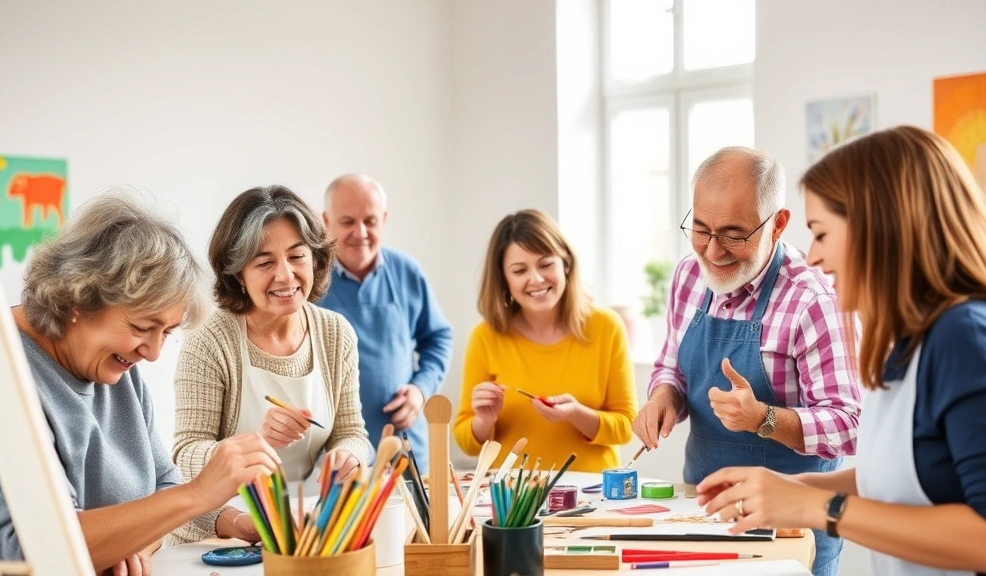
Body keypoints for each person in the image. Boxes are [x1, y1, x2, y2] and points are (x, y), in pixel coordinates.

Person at [698, 126, 986, 575]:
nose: (813, 257)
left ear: (881, 231)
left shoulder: (966, 337)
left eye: (822, 234)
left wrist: (818, 507)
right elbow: (906, 477)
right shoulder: (907, 342)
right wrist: (788, 488)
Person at [0, 193, 281, 574]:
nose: (153, 353)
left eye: (167, 332)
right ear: (79, 299)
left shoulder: (115, 368)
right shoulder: (0, 376)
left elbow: (164, 483)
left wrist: (131, 540)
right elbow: (37, 548)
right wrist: (197, 494)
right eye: (142, 327)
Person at [631, 147, 861, 576]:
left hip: (792, 526)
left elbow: (849, 423)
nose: (712, 251)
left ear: (778, 223)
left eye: (733, 235)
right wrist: (663, 397)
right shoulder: (688, 276)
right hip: (700, 512)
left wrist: (763, 419)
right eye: (701, 229)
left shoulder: (813, 300)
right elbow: (671, 367)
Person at [173, 185, 372, 542]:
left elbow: (352, 433)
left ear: (315, 259)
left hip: (300, 530)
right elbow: (185, 454)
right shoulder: (210, 339)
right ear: (238, 274)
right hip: (220, 535)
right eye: (265, 263)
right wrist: (254, 443)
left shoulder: (336, 333)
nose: (285, 275)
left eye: (297, 256)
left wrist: (347, 456)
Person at [453, 209, 638, 472]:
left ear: (566, 264)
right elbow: (467, 444)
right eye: (519, 270)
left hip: (591, 490)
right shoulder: (485, 337)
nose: (536, 279)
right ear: (504, 279)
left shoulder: (607, 327)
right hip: (513, 491)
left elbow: (626, 427)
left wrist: (575, 413)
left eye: (546, 264)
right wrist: (484, 420)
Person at [318, 174, 452, 469]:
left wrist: (420, 390)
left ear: (384, 219)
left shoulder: (406, 271)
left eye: (370, 221)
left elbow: (438, 338)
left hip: (407, 448)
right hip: (338, 456)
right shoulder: (311, 280)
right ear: (326, 221)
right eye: (348, 222)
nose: (360, 232)